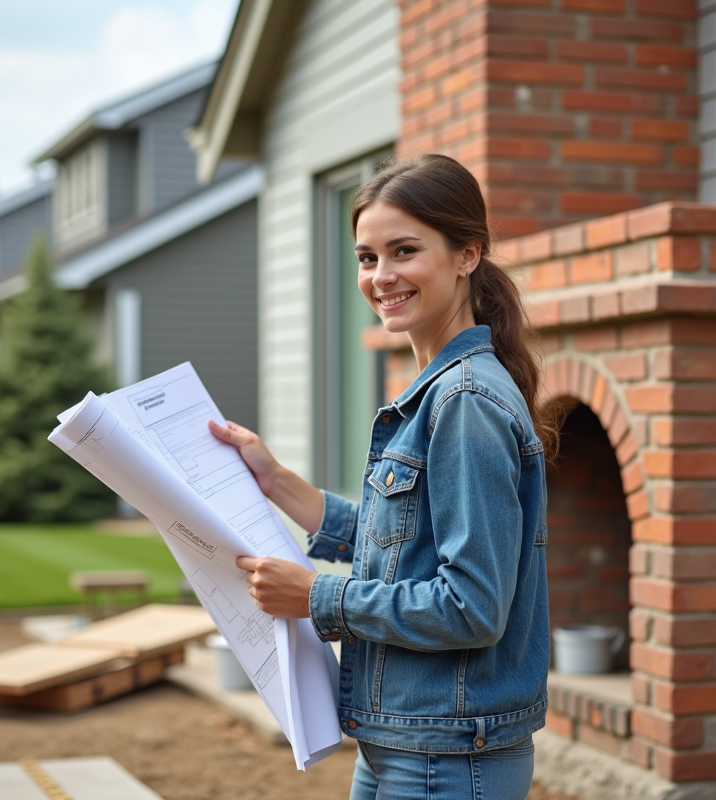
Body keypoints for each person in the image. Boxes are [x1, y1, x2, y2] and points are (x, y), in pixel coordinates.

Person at [208, 153, 557, 800]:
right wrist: (277, 481)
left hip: (448, 755)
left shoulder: (464, 404)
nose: (381, 276)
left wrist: (318, 597)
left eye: (404, 251)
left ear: (466, 255)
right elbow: (404, 544)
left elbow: (470, 607)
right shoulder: (440, 392)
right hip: (409, 742)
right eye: (367, 258)